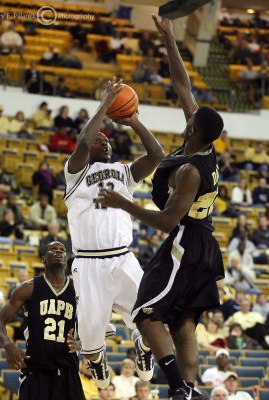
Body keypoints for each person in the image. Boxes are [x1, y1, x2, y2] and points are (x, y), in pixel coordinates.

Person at [102, 16, 225, 400]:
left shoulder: (190, 170)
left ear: (192, 129)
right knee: (184, 319)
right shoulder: (200, 141)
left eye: (190, 119)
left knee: (146, 313)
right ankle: (190, 389)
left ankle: (177, 388)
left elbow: (169, 219)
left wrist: (124, 202)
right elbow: (181, 84)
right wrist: (169, 38)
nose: (187, 117)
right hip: (204, 242)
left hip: (185, 240)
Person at [63, 77, 164, 389]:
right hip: (89, 264)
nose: (104, 141)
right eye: (99, 139)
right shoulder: (75, 173)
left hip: (122, 259)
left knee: (151, 316)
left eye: (107, 140)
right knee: (92, 335)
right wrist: (106, 103)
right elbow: (83, 142)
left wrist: (132, 119)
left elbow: (157, 154)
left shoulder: (124, 172)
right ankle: (97, 359)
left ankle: (143, 347)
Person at [0, 241, 85, 400]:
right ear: (43, 259)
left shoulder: (78, 290)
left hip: (68, 371)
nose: (58, 252)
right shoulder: (28, 288)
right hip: (37, 371)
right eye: (53, 249)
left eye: (62, 250)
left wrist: (81, 342)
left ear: (66, 259)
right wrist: (8, 345)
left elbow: (97, 323)